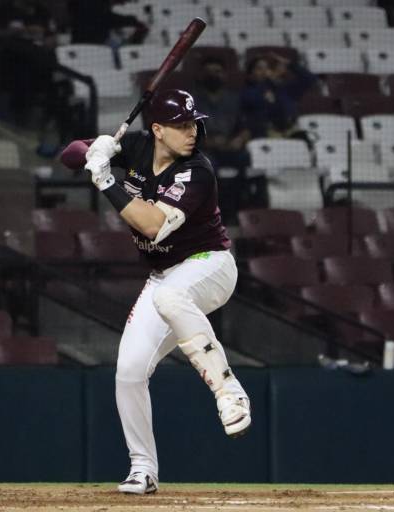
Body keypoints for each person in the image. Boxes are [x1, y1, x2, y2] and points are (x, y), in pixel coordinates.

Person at [59, 89, 251, 495]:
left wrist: (106, 177)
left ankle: (228, 390)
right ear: (158, 130)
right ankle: (143, 470)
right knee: (128, 372)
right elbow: (68, 156)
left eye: (194, 123)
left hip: (210, 265)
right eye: (181, 125)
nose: (192, 132)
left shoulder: (196, 170)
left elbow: (151, 226)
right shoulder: (137, 146)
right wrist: (96, 147)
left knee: (170, 299)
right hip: (164, 275)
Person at [190, 57, 251, 223]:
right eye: (209, 72)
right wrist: (204, 141)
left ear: (224, 75)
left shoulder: (234, 99)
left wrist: (239, 140)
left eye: (217, 71)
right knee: (209, 166)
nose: (213, 75)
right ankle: (214, 213)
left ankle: (239, 209)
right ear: (201, 75)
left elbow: (245, 129)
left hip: (230, 147)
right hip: (205, 149)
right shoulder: (193, 101)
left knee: (246, 159)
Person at [240, 53, 318, 139]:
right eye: (259, 68)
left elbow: (310, 79)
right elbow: (263, 105)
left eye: (267, 68)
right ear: (250, 75)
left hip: (291, 131)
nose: (264, 71)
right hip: (267, 134)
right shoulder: (247, 93)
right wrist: (271, 79)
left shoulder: (285, 89)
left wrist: (289, 64)